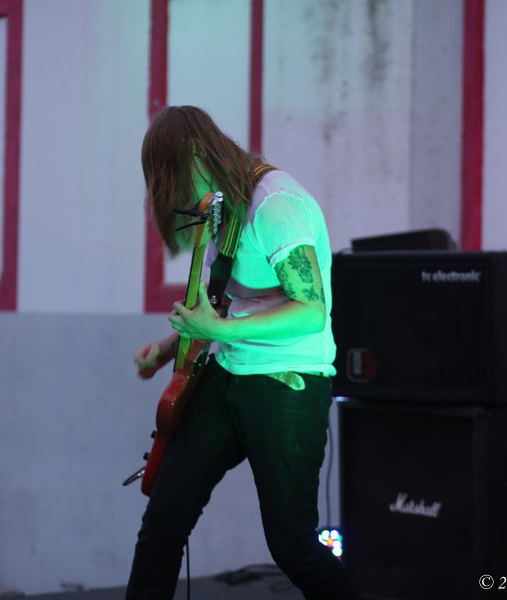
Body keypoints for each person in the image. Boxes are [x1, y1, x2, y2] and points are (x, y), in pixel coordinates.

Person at [127, 105, 356, 600]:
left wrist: (222, 329)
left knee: (292, 545)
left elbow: (311, 311)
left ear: (197, 156)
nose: (183, 202)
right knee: (162, 522)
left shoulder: (276, 206)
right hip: (228, 376)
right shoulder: (222, 206)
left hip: (288, 386)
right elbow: (220, 300)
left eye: (178, 184)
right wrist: (167, 349)